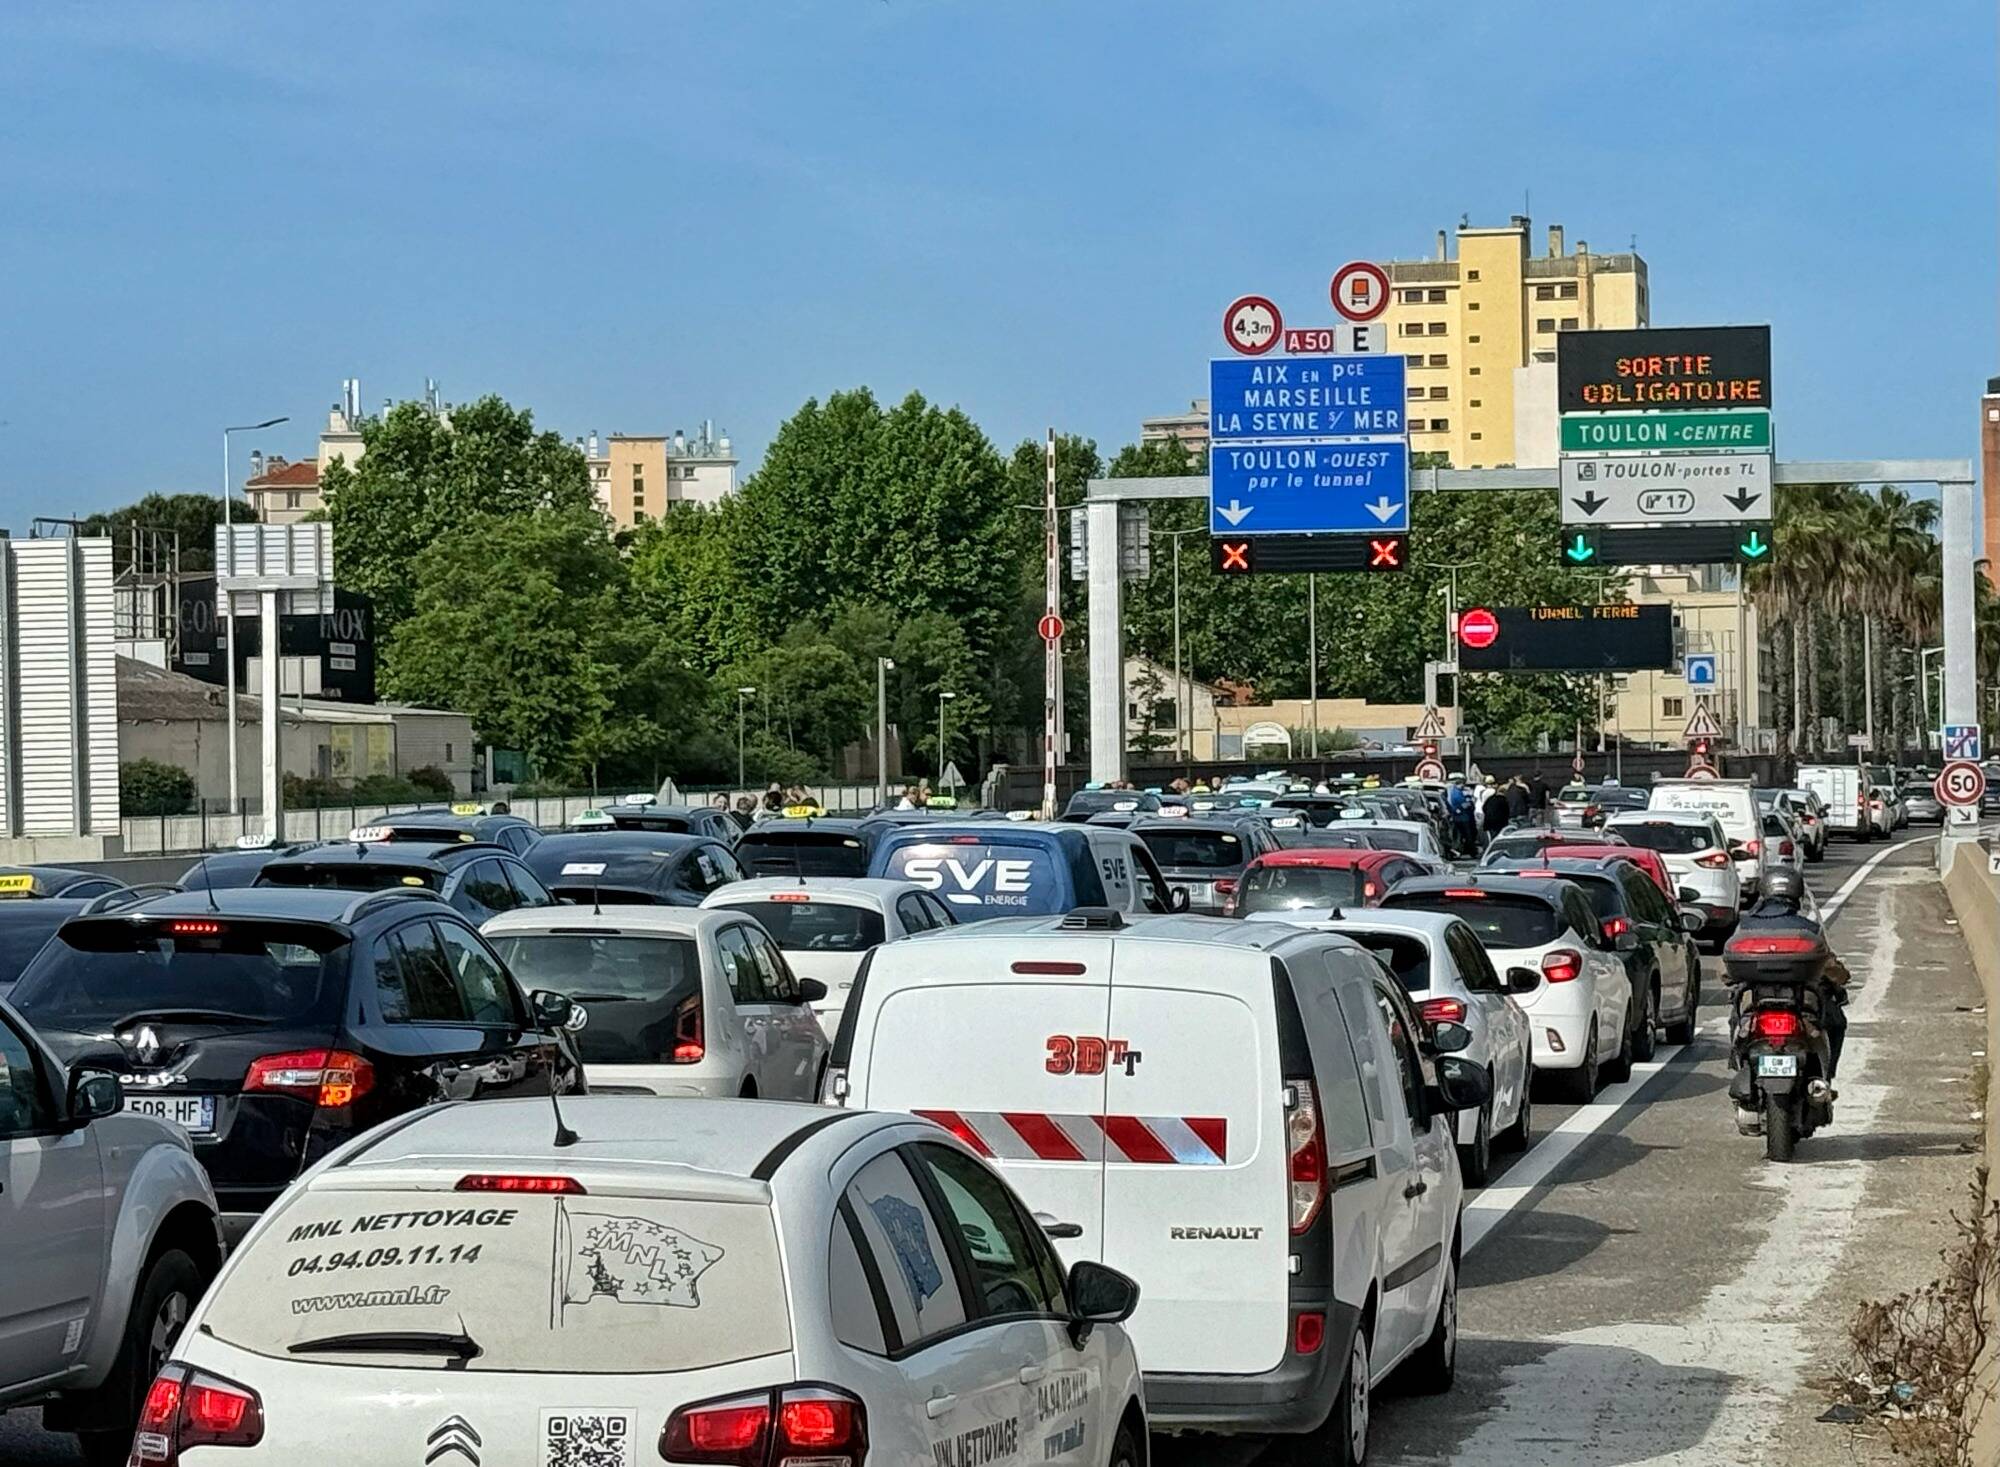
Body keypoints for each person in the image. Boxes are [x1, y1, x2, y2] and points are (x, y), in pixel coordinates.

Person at [1734, 866, 1849, 1079]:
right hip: (1802, 1003)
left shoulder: (1745, 927)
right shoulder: (1808, 929)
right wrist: (1840, 978)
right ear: (1796, 894)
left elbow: (1727, 970)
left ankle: (1739, 1064)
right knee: (1836, 1022)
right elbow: (1830, 968)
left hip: (1754, 1001)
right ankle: (1826, 1079)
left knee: (1737, 1018)